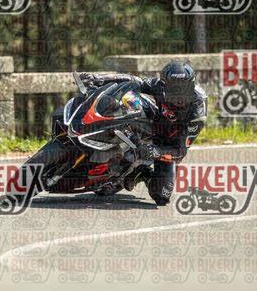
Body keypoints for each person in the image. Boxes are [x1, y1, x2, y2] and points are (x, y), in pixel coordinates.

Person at [80, 61, 207, 206]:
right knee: (127, 101)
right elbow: (134, 80)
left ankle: (142, 173)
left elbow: (180, 151)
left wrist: (155, 151)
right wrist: (99, 78)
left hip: (169, 143)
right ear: (164, 84)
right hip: (154, 122)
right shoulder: (159, 85)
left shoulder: (197, 113)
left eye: (183, 87)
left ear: (191, 85)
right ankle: (99, 136)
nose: (178, 93)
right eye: (173, 88)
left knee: (162, 196)